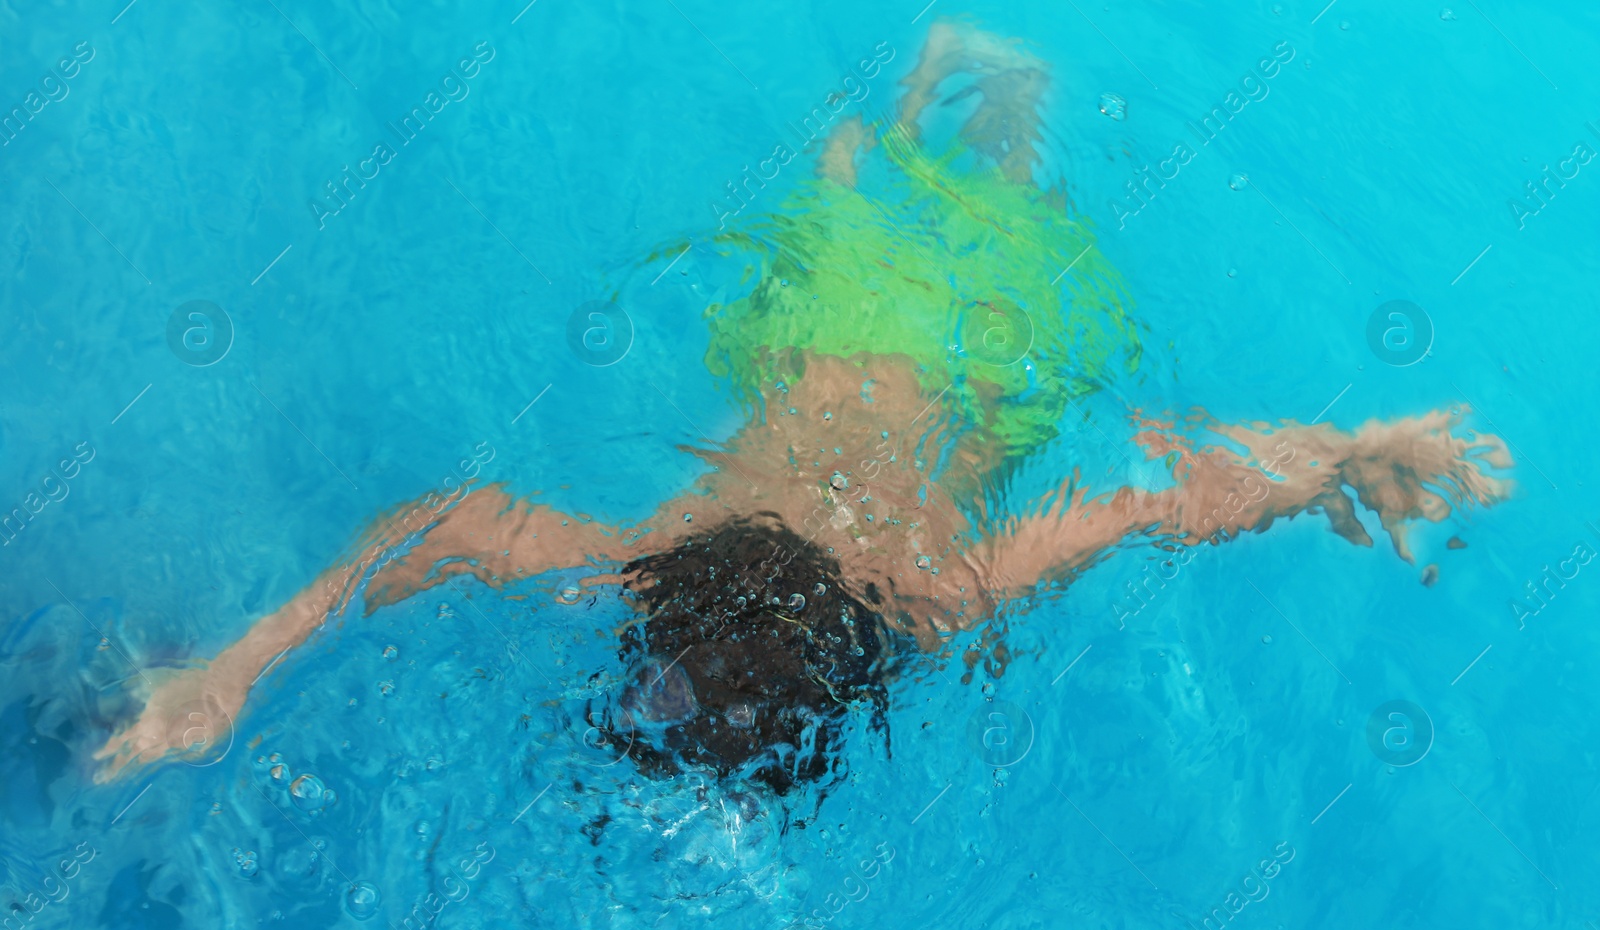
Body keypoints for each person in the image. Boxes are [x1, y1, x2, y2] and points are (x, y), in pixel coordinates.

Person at [94, 21, 1513, 788]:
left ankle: (956, 98)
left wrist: (245, 660)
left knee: (960, 213)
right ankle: (981, 83)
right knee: (976, 202)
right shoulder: (813, 576)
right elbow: (1158, 506)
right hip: (901, 335)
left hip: (912, 340)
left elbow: (1154, 508)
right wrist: (1342, 454)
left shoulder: (922, 596)